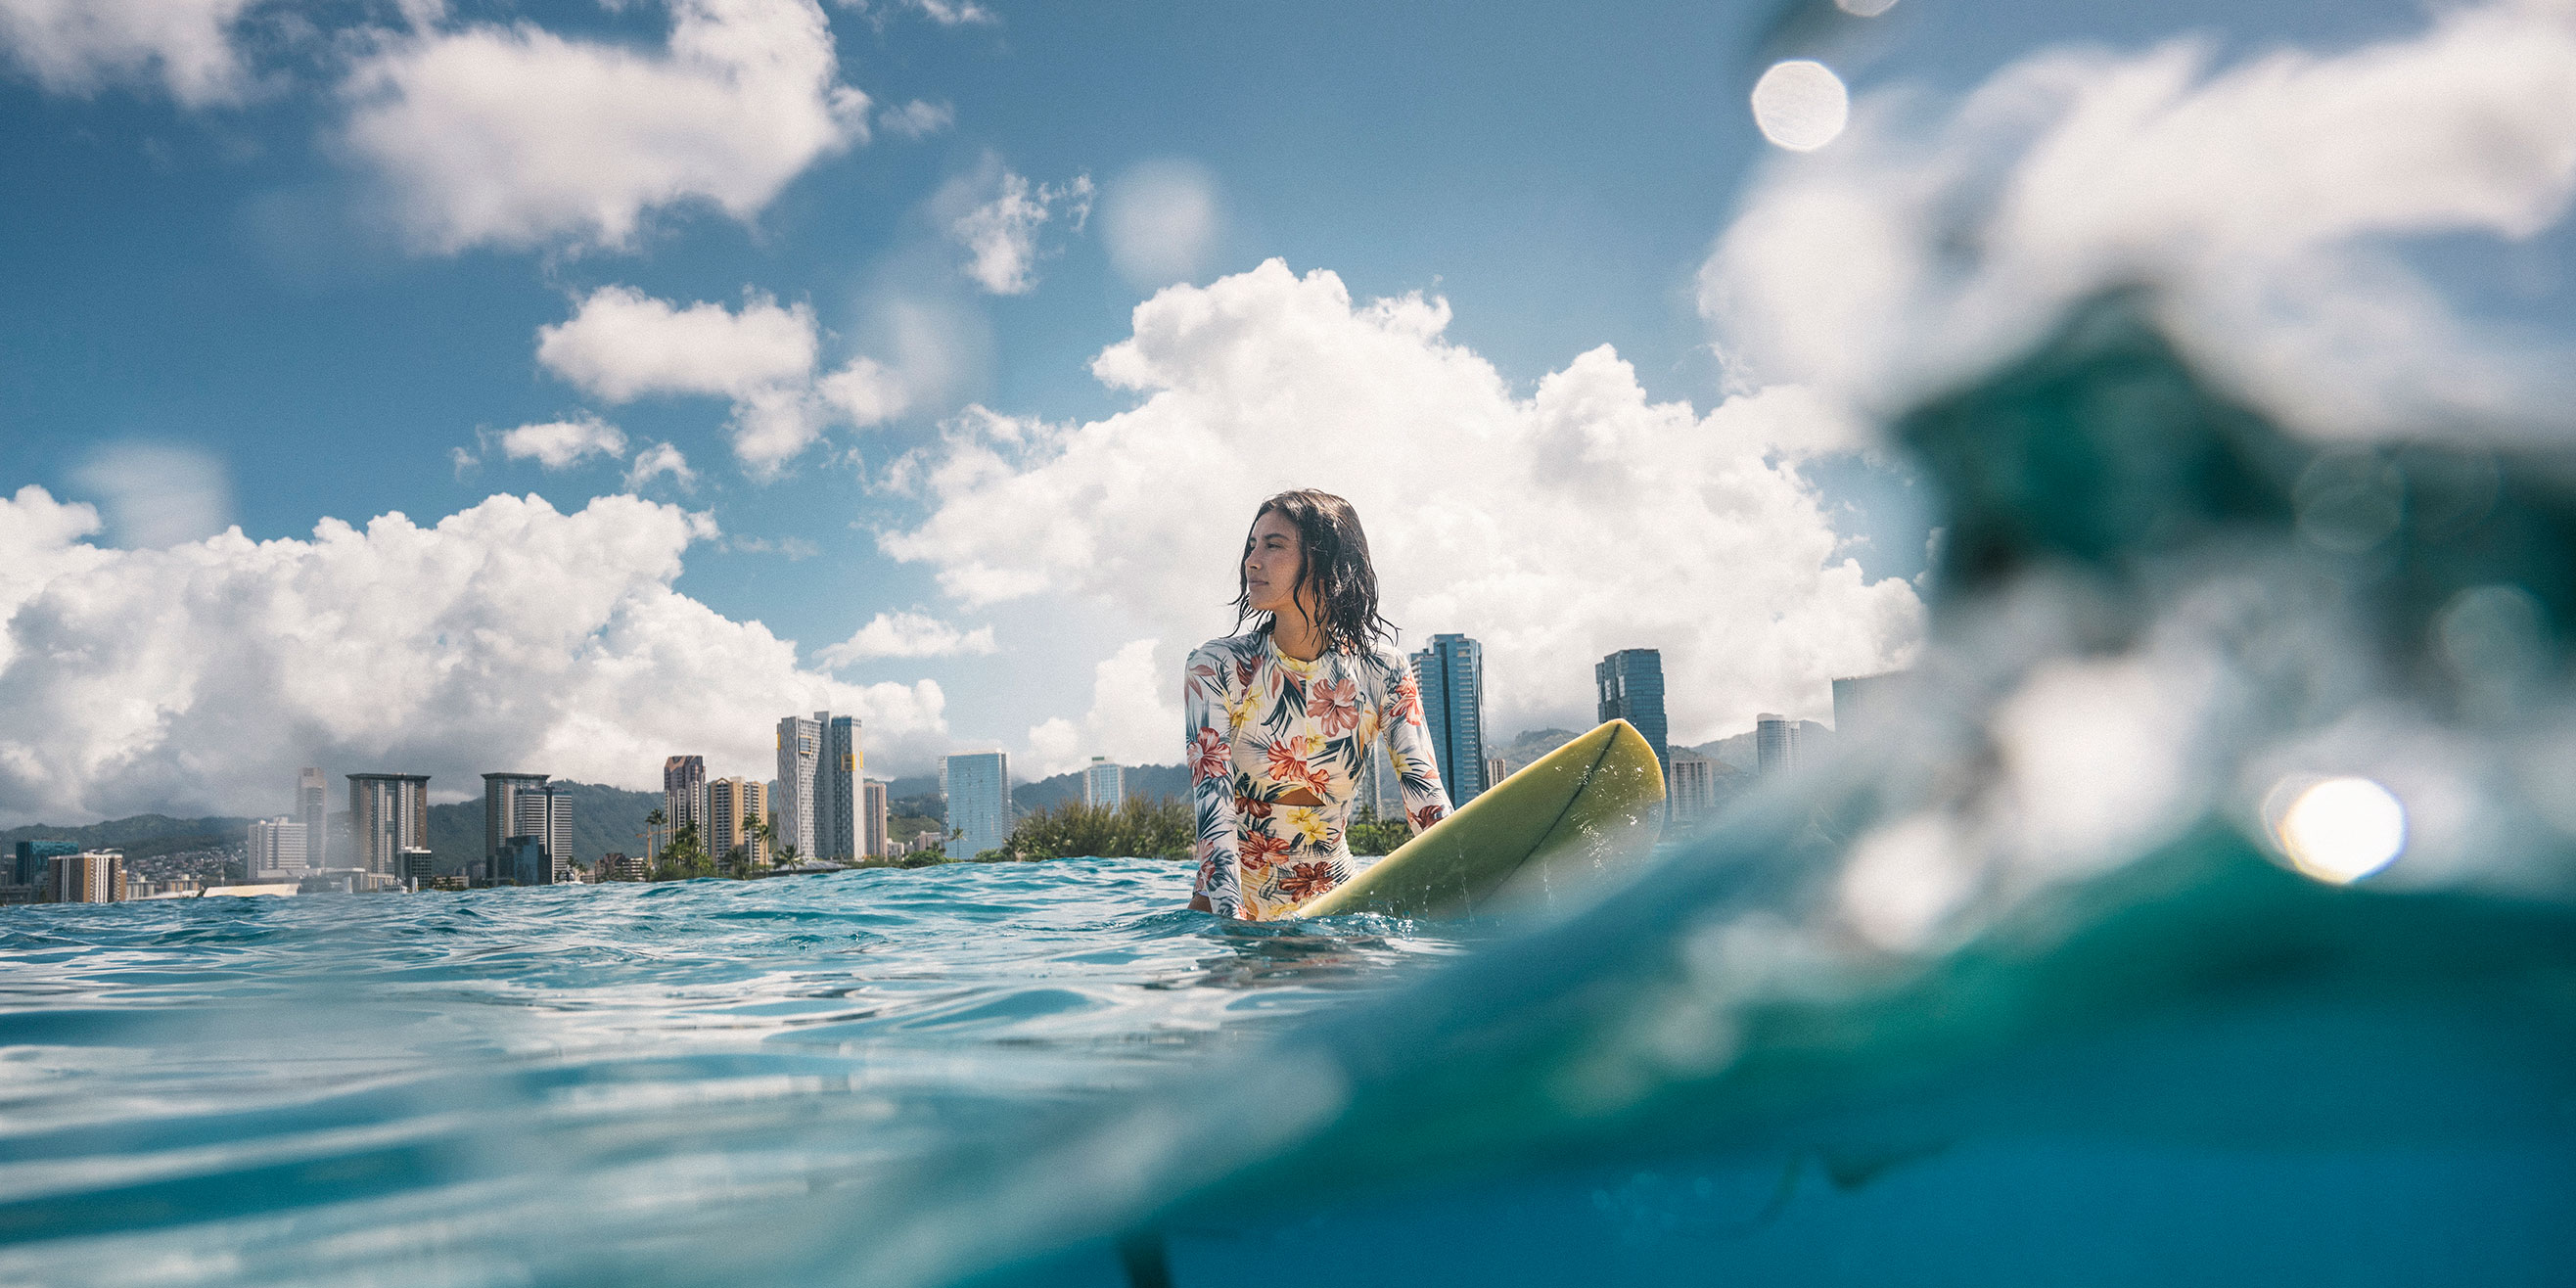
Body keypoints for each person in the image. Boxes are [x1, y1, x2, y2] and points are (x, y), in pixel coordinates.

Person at [1184, 489, 1453, 919]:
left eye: (1274, 546)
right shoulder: (1218, 665)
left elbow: (1426, 801)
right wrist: (1231, 930)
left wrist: (1470, 884)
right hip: (1229, 907)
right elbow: (1213, 809)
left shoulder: (1382, 670)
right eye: (1252, 546)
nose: (1252, 561)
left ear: (1327, 561)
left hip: (1337, 911)